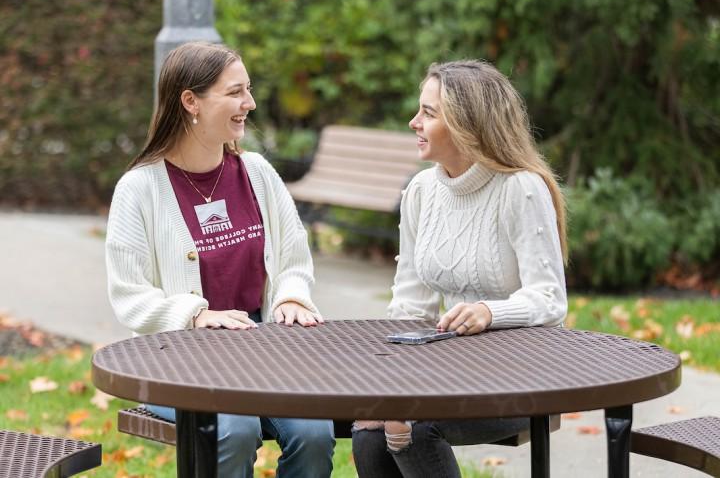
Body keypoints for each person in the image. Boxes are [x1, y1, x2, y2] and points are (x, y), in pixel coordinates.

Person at [105, 41, 335, 477]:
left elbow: (293, 259)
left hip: (262, 353)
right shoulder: (139, 190)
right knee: (234, 428)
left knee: (314, 433)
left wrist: (291, 297)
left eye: (247, 90)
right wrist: (194, 314)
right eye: (234, 92)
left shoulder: (258, 173)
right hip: (175, 358)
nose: (248, 103)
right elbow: (128, 295)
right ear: (190, 101)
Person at [351, 60, 568, 477]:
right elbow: (411, 304)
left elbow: (550, 300)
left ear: (468, 124)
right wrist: (387, 375)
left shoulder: (519, 188)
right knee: (368, 427)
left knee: (409, 425)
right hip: (445, 373)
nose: (414, 122)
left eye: (429, 113)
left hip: (523, 377)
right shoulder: (420, 191)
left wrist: (489, 312)